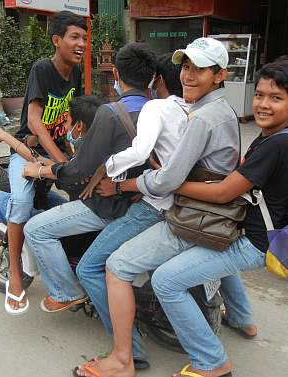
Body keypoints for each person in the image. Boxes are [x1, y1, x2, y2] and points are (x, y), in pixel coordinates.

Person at [76, 37, 240, 377]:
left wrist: (121, 183)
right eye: (186, 67)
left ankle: (124, 358)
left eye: (200, 70)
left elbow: (167, 180)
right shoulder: (215, 111)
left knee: (115, 266)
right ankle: (243, 318)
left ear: (220, 75)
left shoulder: (201, 118)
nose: (189, 76)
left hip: (189, 216)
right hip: (210, 213)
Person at [139, 57, 288, 377]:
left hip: (254, 242)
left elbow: (222, 193)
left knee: (166, 281)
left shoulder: (276, 145)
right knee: (215, 246)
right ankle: (243, 319)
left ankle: (211, 362)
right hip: (260, 234)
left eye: (276, 98)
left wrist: (172, 183)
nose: (263, 104)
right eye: (259, 95)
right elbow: (239, 172)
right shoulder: (280, 135)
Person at [22, 43, 156, 323]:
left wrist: (43, 171)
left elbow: (79, 169)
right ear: (152, 78)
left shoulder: (111, 113)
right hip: (146, 201)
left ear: (116, 73)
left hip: (109, 204)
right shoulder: (162, 109)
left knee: (35, 228)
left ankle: (65, 291)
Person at [74, 52, 188, 372]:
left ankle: (127, 351)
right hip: (184, 206)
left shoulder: (142, 108)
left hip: (150, 205)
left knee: (91, 267)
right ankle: (240, 315)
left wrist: (106, 171)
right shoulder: (192, 111)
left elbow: (125, 155)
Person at [3, 11, 87, 315]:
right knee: (23, 204)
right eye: (74, 37)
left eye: (84, 38)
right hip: (27, 150)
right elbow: (35, 121)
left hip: (56, 150)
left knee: (81, 196)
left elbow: (65, 113)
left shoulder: (75, 73)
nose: (81, 44)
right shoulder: (43, 68)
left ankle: (75, 262)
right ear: (57, 40)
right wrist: (61, 159)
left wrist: (75, 148)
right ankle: (14, 273)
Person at [0, 95, 103, 233]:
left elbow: (53, 168)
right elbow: (44, 161)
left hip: (84, 224)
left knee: (0, 200)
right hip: (88, 210)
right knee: (45, 198)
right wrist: (10, 139)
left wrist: (36, 170)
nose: (64, 127)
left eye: (66, 122)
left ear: (79, 126)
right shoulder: (94, 149)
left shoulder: (81, 161)